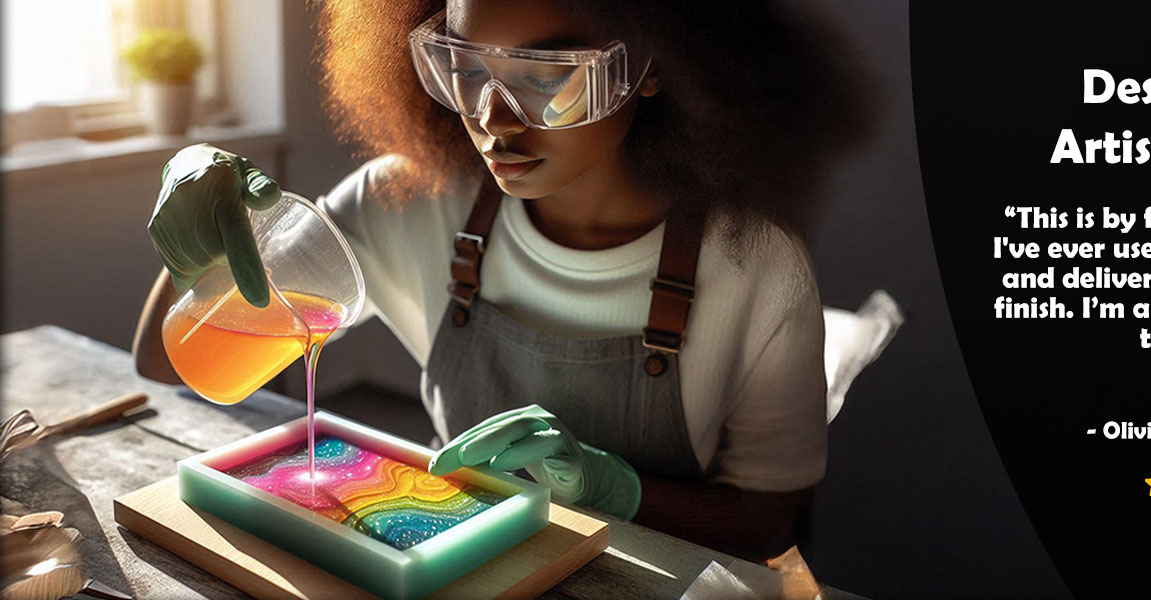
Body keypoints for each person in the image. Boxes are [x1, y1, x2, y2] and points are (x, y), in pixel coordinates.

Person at [133, 0, 873, 561]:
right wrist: (205, 235)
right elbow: (167, 362)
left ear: (651, 65)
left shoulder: (757, 268)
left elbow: (770, 520)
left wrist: (617, 490)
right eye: (465, 66)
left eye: (548, 73)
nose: (492, 119)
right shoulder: (408, 201)